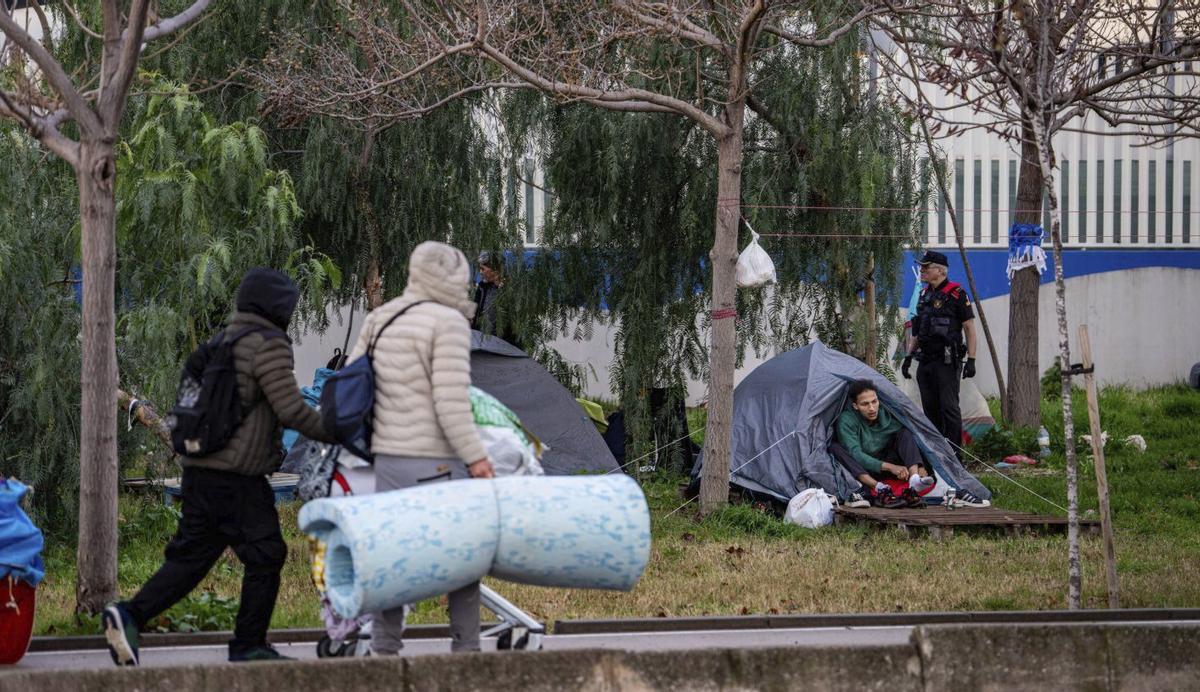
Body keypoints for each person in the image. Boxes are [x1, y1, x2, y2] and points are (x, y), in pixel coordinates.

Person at [102, 268, 336, 665]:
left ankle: (128, 614)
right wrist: (339, 430)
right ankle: (249, 644)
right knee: (266, 553)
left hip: (199, 469)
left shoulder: (223, 340)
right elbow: (291, 408)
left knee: (191, 558)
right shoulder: (270, 343)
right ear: (277, 306)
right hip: (237, 477)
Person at [349, 240, 494, 655]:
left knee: (393, 561)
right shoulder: (447, 323)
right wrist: (477, 458)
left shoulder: (380, 317)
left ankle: (385, 653)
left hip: (389, 459)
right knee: (463, 562)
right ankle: (466, 655)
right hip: (437, 463)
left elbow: (356, 384)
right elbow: (451, 402)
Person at [902, 250, 977, 454]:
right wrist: (908, 356)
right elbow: (918, 330)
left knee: (949, 409)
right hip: (925, 362)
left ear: (940, 271)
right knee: (930, 411)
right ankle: (939, 456)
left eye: (926, 267)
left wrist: (971, 359)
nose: (922, 270)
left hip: (946, 362)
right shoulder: (925, 294)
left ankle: (955, 456)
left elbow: (969, 327)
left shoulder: (957, 293)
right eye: (922, 267)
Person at [829, 380, 934, 509]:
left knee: (905, 433)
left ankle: (914, 481)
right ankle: (879, 488)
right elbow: (856, 454)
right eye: (865, 404)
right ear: (855, 406)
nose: (872, 408)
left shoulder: (887, 413)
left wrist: (921, 465)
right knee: (835, 448)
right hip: (863, 471)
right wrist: (891, 467)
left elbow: (916, 434)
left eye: (874, 401)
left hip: (886, 460)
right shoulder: (846, 420)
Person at [472, 250, 521, 348]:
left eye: (483, 269)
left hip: (505, 344)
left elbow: (515, 318)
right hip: (483, 342)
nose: (480, 272)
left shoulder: (510, 289)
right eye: (479, 269)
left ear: (495, 270)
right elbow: (476, 313)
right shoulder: (482, 288)